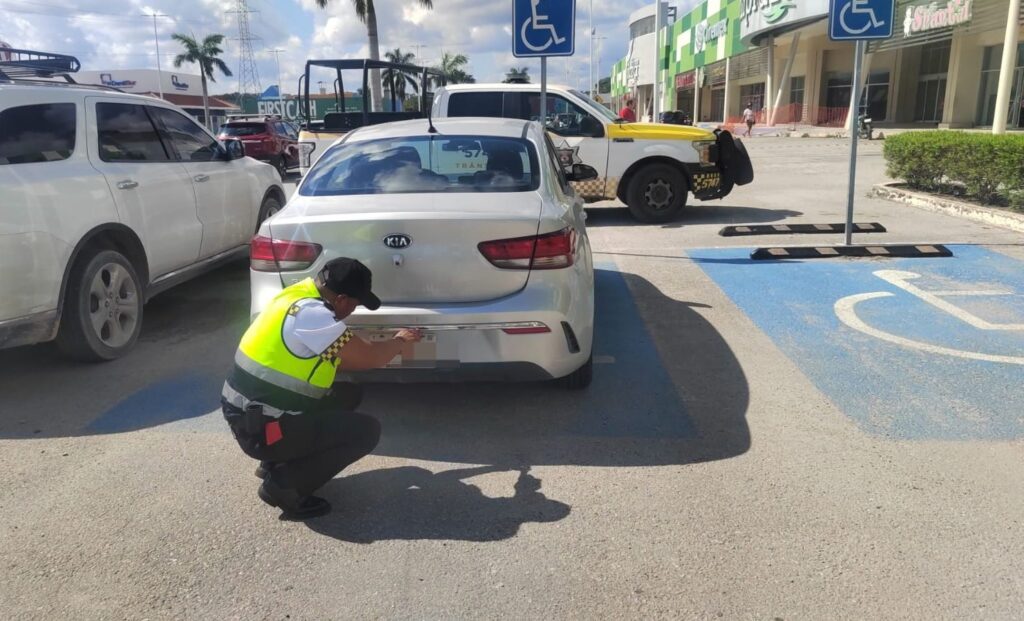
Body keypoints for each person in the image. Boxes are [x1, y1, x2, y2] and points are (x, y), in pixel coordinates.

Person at [221, 257, 423, 520]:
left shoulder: (293, 297)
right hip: (261, 429)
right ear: (341, 299)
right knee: (366, 431)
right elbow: (369, 358)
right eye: (355, 303)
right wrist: (399, 341)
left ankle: (274, 462)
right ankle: (284, 487)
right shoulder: (312, 316)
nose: (353, 310)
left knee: (347, 395)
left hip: (250, 415)